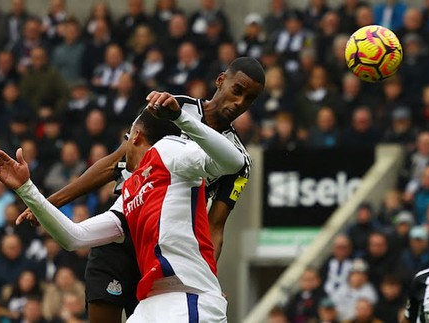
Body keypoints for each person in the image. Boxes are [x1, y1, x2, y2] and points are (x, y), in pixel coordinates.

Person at [17, 57, 265, 322]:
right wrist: (50, 202)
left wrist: (208, 278)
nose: (239, 103)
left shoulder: (237, 158)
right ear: (220, 81)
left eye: (249, 99)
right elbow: (117, 161)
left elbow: (215, 226)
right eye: (237, 90)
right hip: (121, 223)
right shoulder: (173, 107)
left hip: (163, 248)